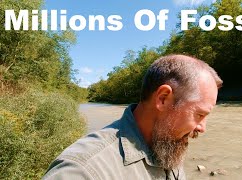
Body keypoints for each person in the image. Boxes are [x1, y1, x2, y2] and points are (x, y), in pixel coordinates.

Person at [43, 54, 223, 180]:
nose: (202, 127)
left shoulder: (168, 145)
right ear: (163, 99)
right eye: (200, 114)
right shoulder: (83, 170)